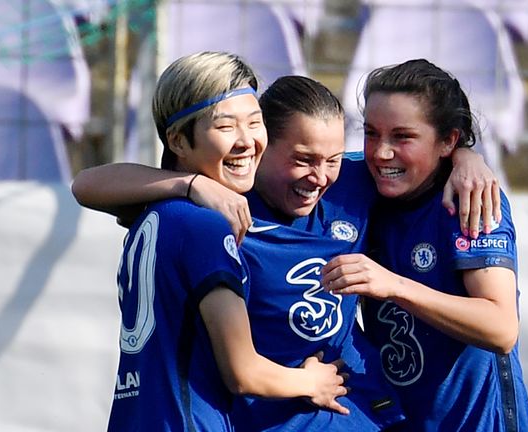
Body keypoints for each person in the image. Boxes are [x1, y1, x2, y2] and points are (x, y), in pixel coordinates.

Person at [72, 64, 502, 430]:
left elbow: (408, 158)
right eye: (302, 159)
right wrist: (193, 184)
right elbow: (88, 184)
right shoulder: (218, 208)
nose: (319, 176)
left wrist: (465, 157)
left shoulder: (349, 186)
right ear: (262, 150)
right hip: (268, 415)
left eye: (332, 159)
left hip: (361, 412)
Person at [96, 51, 350, 432]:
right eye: (226, 126)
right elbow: (242, 372)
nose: (246, 142)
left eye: (254, 122)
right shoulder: (207, 227)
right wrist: (313, 382)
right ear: (178, 141)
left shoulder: (151, 209)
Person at [321, 59, 528, 431]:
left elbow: (501, 328)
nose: (381, 153)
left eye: (402, 137)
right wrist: (187, 184)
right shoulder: (355, 182)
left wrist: (394, 285)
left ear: (448, 141)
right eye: (371, 133)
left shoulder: (471, 199)